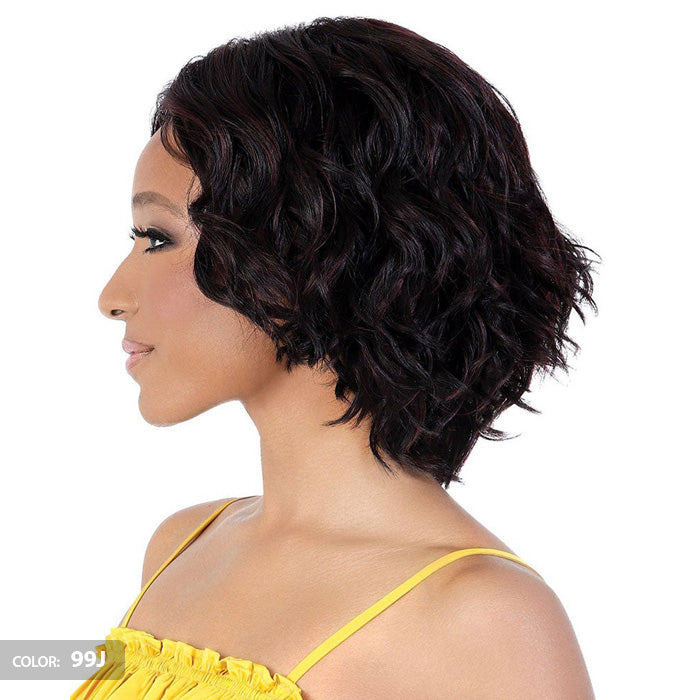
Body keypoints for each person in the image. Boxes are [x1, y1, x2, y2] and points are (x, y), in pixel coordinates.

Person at [72, 15, 598, 700]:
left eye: (157, 237)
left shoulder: (484, 619)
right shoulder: (180, 546)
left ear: (311, 250)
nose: (112, 297)